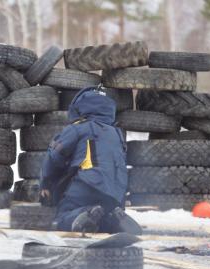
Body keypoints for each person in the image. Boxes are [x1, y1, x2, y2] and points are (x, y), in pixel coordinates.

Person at [39, 87, 141, 234]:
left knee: (63, 216)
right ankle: (115, 219)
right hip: (116, 191)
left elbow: (54, 156)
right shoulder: (117, 134)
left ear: (79, 108)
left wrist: (46, 184)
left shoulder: (78, 128)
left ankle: (86, 212)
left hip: (88, 184)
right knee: (102, 218)